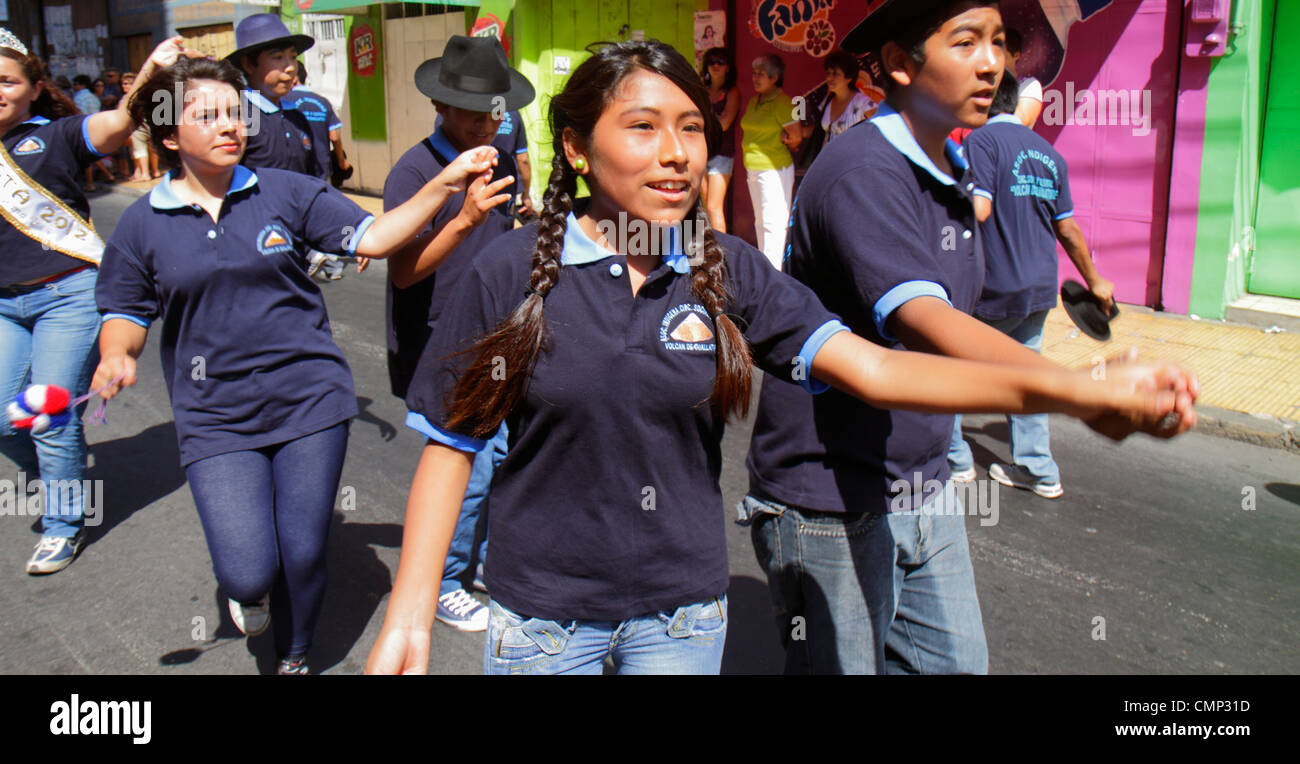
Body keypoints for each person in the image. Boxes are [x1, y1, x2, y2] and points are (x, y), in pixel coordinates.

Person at [364, 39, 1197, 676]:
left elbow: (880, 369)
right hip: (541, 621)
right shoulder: (511, 272)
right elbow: (451, 444)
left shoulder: (725, 270)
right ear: (577, 149)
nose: (678, 153)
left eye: (692, 127)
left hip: (681, 620)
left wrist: (1074, 391)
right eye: (644, 127)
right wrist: (409, 608)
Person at [743, 0, 1197, 675]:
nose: (994, 63)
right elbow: (932, 323)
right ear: (898, 63)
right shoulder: (861, 168)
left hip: (922, 484)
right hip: (829, 501)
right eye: (966, 42)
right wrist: (1079, 392)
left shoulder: (955, 160)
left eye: (999, 42)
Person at [92, 54, 500, 675]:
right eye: (208, 116)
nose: (230, 125)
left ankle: (296, 654)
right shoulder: (144, 224)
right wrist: (117, 355)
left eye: (236, 112)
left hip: (310, 398)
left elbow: (378, 238)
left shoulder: (288, 192)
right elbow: (125, 307)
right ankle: (251, 592)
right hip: (214, 414)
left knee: (305, 550)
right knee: (247, 566)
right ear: (171, 135)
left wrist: (446, 188)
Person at [0, 29, 181, 574]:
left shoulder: (55, 136)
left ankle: (64, 523)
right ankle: (60, 467)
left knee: (51, 414)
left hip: (67, 296)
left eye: (6, 80)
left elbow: (122, 122)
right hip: (5, 304)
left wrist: (151, 68)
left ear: (33, 88)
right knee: (9, 419)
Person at [384, 35, 530, 633]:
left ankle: (494, 564)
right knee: (468, 463)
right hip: (443, 339)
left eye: (494, 110)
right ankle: (443, 580)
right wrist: (465, 216)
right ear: (441, 107)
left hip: (502, 334)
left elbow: (507, 242)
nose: (485, 122)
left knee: (508, 456)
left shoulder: (496, 159)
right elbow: (403, 269)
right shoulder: (415, 171)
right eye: (472, 111)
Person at [948, 72, 1115, 498]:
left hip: (994, 288)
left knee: (948, 365)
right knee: (1027, 373)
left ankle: (954, 460)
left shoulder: (980, 142)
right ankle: (1038, 470)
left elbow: (979, 210)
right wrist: (1095, 281)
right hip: (1039, 288)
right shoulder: (1048, 153)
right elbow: (1070, 230)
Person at [227, 15, 320, 179]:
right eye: (278, 57)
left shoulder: (295, 115)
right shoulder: (238, 116)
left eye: (293, 57)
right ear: (248, 64)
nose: (290, 67)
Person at [283, 62, 348, 280]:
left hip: (296, 168)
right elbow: (335, 136)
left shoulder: (285, 102)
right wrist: (341, 162)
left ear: (293, 78)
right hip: (321, 167)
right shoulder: (322, 102)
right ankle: (328, 257)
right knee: (321, 211)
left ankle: (310, 254)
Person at [740, 53, 801, 267]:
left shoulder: (783, 102)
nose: (756, 78)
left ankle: (775, 272)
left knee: (773, 222)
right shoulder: (754, 101)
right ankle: (768, 266)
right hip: (754, 167)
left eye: (762, 74)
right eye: (754, 73)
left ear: (774, 78)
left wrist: (788, 139)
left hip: (774, 168)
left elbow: (796, 136)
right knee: (761, 221)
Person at [699, 47, 740, 233]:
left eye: (720, 62)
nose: (715, 65)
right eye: (711, 61)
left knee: (715, 207)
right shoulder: (702, 89)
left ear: (728, 67)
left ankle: (721, 255)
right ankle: (708, 249)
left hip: (722, 153)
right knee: (704, 204)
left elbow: (725, 123)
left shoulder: (732, 92)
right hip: (701, 152)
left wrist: (701, 120)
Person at [819, 48, 878, 143]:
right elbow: (816, 130)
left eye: (835, 74)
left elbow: (881, 128)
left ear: (849, 78)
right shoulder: (827, 101)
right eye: (828, 73)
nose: (829, 78)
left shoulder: (863, 103)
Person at [1005, 28, 1043, 128]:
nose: (994, 60)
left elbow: (1019, 121)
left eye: (1001, 55)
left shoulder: (1029, 85)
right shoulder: (984, 83)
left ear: (1016, 55)